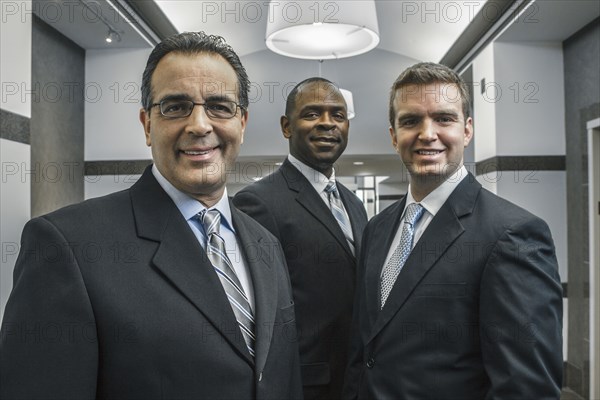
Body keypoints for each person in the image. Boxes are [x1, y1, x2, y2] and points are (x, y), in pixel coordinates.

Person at [0, 32, 302, 400]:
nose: (200, 126)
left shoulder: (264, 242)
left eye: (220, 107)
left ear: (242, 122)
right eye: (175, 107)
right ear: (147, 124)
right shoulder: (66, 246)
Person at [343, 62, 563, 399]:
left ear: (467, 129)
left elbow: (526, 388)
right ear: (393, 135)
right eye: (410, 121)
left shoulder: (513, 235)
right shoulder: (377, 228)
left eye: (444, 118)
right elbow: (367, 349)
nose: (427, 133)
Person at [233, 77, 368, 399]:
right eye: (312, 114)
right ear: (286, 126)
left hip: (358, 379)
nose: (327, 123)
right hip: (304, 384)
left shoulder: (355, 204)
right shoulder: (256, 202)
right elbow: (258, 313)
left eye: (338, 115)